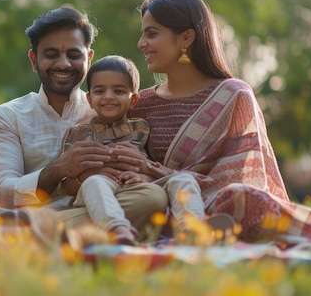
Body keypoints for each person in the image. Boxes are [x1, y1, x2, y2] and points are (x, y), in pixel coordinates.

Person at [107, 0, 311, 249]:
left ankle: (203, 233)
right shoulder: (138, 104)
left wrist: (157, 173)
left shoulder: (233, 95)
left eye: (151, 34)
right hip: (155, 207)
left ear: (186, 38)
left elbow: (242, 179)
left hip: (216, 207)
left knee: (243, 199)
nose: (141, 44)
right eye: (143, 35)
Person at [0, 6, 169, 244]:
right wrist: (60, 168)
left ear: (88, 59)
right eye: (51, 54)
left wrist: (142, 174)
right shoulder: (9, 115)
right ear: (34, 60)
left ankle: (10, 236)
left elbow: (147, 172)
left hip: (95, 209)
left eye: (73, 54)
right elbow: (3, 194)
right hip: (26, 215)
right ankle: (41, 233)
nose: (63, 63)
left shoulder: (112, 107)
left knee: (151, 199)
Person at [59, 55, 230, 245]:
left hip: (140, 184)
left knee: (183, 179)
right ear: (89, 99)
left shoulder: (141, 127)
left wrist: (145, 176)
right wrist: (88, 174)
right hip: (100, 189)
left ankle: (193, 231)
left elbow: (148, 162)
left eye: (119, 91)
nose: (108, 96)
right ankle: (118, 230)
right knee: (95, 183)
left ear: (134, 100)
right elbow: (65, 186)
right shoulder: (77, 134)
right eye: (100, 91)